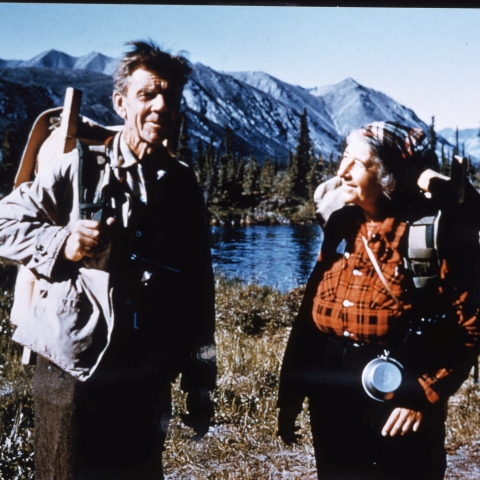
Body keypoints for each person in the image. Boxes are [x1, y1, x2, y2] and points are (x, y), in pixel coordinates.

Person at [0, 40, 216, 479]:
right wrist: (63, 243)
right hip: (72, 364)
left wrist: (200, 382)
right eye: (147, 95)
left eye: (170, 98)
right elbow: (4, 223)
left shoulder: (182, 185)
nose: (160, 107)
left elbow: (198, 288)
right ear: (120, 103)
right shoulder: (79, 167)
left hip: (146, 371)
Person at [277, 121, 480, 479]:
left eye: (358, 163)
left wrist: (423, 397)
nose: (342, 172)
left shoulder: (427, 235)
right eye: (343, 158)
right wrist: (292, 387)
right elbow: (309, 317)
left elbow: (471, 327)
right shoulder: (341, 224)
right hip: (330, 391)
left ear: (387, 175)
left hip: (399, 396)